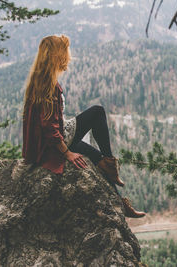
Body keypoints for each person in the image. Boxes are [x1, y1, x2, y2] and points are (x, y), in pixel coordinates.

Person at [22, 35, 145, 218]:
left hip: (46, 142)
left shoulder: (38, 81)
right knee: (97, 112)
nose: (68, 57)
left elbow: (47, 124)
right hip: (53, 144)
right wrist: (67, 153)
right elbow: (50, 128)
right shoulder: (49, 86)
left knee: (96, 158)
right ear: (57, 56)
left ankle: (119, 201)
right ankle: (111, 163)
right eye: (65, 53)